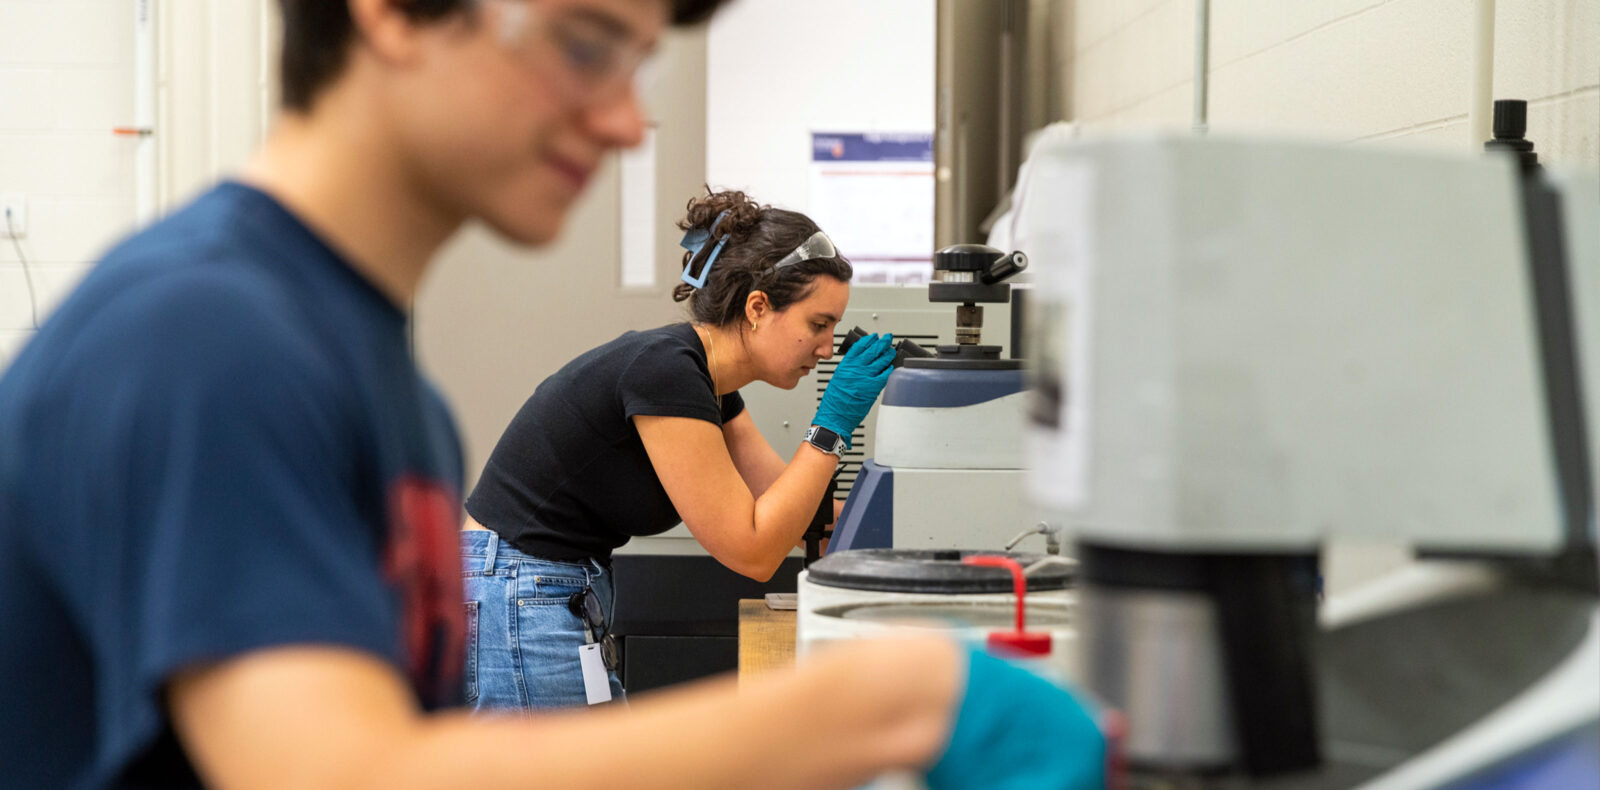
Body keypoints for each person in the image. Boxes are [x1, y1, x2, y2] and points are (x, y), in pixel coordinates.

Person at [0, 1, 1108, 788]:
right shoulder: (209, 338)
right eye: (586, 44)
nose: (629, 122)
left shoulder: (377, 375)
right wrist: (879, 704)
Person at [462, 187, 896, 709]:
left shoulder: (708, 383)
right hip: (519, 586)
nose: (827, 349)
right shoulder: (666, 371)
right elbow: (753, 550)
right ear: (758, 307)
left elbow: (793, 513)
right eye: (818, 325)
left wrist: (915, 539)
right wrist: (831, 428)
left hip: (547, 588)